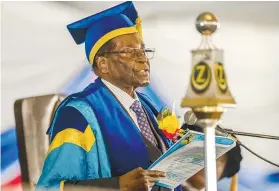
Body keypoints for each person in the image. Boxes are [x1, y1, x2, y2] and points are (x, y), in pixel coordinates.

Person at [36, 2, 242, 191]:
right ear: (102, 64)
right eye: (129, 52)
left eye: (143, 51)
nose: (143, 59)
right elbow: (52, 187)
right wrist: (117, 185)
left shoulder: (148, 107)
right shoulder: (79, 113)